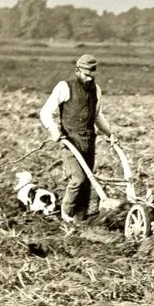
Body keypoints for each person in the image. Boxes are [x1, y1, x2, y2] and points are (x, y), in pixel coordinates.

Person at [39, 54, 118, 224]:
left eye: (92, 75)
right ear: (77, 71)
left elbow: (97, 116)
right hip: (70, 140)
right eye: (85, 74)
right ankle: (66, 214)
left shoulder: (96, 90)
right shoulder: (64, 87)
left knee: (88, 181)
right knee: (78, 179)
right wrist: (55, 132)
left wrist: (110, 134)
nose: (89, 78)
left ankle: (80, 219)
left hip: (88, 141)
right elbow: (46, 112)